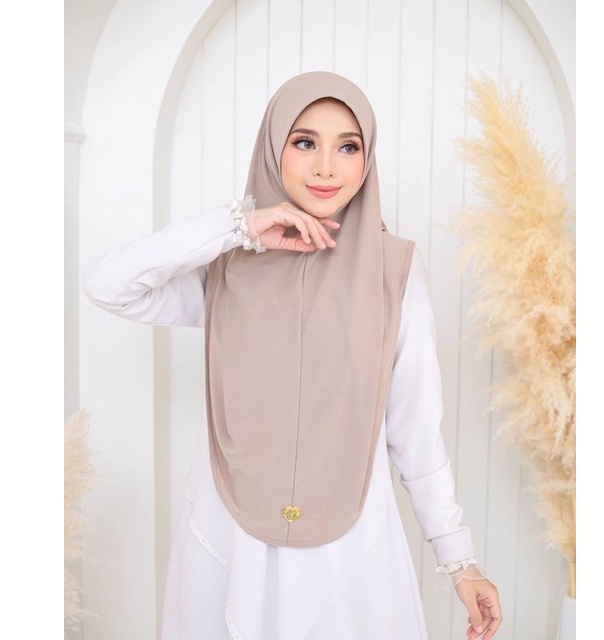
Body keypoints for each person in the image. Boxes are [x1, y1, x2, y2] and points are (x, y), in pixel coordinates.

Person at [84, 71, 502, 640]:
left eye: (347, 147)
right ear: (272, 147)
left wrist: (460, 561)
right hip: (228, 534)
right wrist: (239, 227)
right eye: (305, 142)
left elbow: (416, 433)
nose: (326, 167)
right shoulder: (226, 265)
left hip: (350, 542)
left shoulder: (395, 269)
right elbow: (109, 285)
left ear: (367, 159)